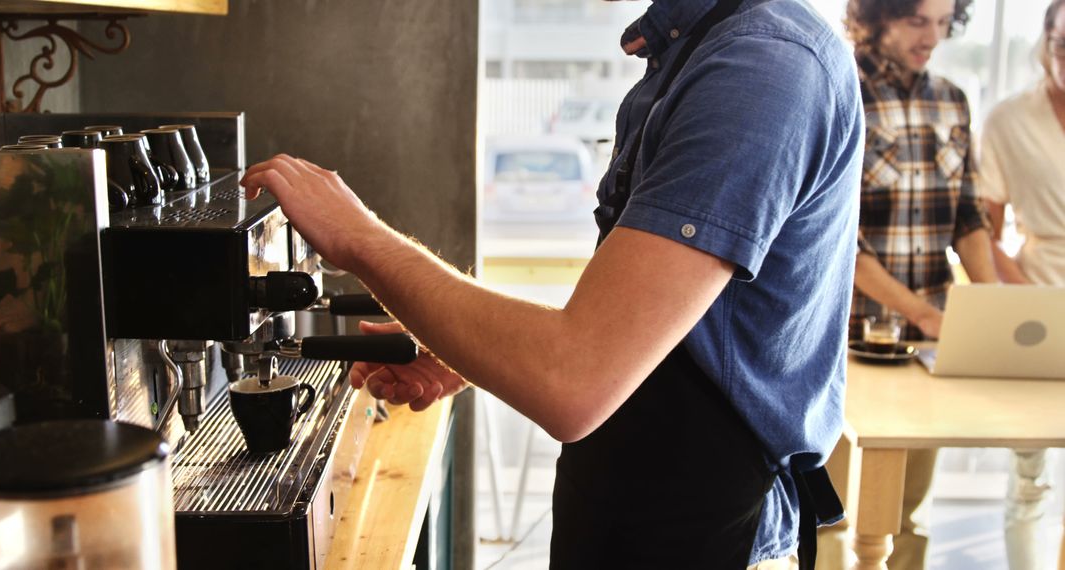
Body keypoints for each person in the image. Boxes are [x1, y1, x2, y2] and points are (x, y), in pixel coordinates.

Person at [242, 0, 864, 567]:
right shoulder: (706, 46)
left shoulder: (762, 69)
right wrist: (473, 346)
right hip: (636, 509)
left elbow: (576, 376)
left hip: (707, 530)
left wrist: (362, 239)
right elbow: (639, 322)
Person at [845, 0, 1000, 568]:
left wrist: (994, 310)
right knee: (830, 513)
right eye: (917, 21)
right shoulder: (840, 91)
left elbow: (968, 217)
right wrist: (927, 313)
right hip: (848, 339)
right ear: (877, 17)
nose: (932, 37)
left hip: (929, 343)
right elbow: (838, 242)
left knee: (906, 513)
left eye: (942, 22)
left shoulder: (951, 100)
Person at [978, 2, 1065, 566]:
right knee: (1031, 478)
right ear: (1046, 40)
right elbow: (982, 227)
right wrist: (1021, 297)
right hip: (1042, 309)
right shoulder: (1010, 119)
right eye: (1062, 43)